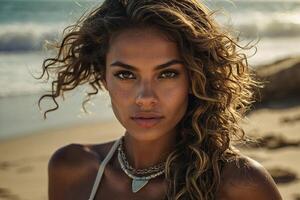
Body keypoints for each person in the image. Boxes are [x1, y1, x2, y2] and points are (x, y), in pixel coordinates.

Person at [39, 0, 282, 199]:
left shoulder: (241, 184)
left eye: (167, 74)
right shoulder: (71, 169)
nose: (145, 98)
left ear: (194, 78)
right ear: (104, 78)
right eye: (125, 74)